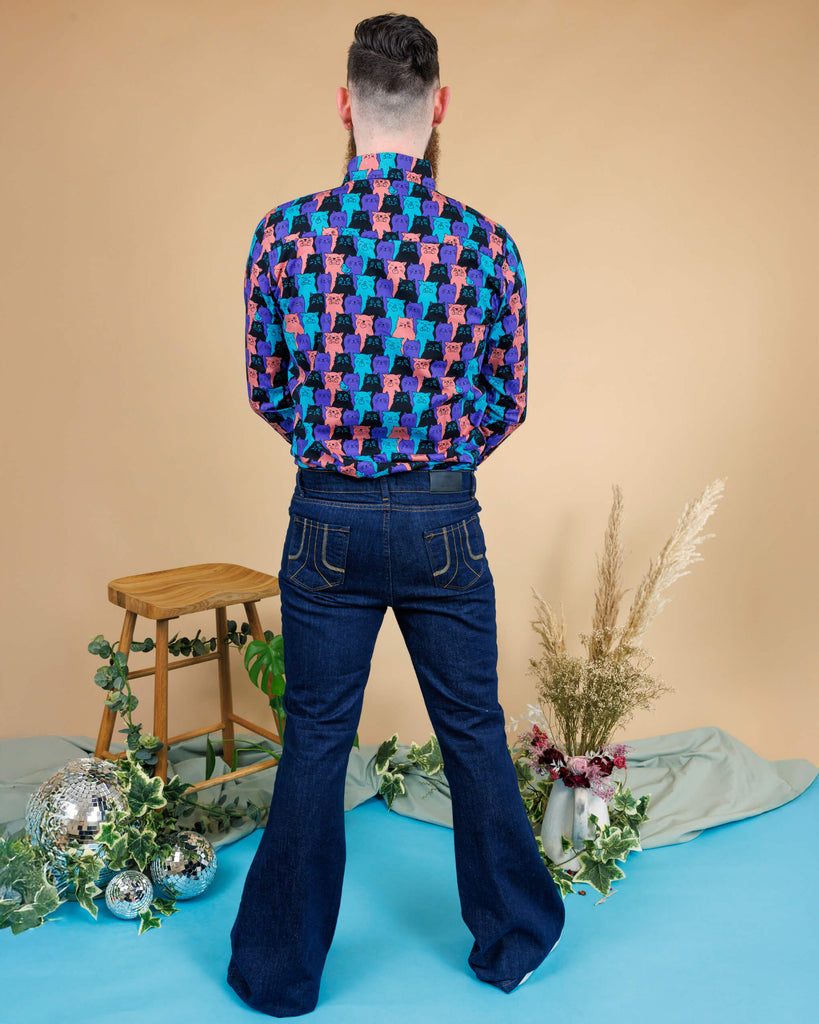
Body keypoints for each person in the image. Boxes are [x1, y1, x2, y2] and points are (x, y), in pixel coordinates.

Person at [227, 12, 565, 1017]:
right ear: (439, 108)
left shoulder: (284, 235)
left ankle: (279, 975)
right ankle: (510, 943)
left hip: (324, 520)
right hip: (441, 522)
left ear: (345, 104)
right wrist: (432, 462)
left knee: (317, 742)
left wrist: (338, 454)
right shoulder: (486, 244)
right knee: (471, 729)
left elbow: (266, 385)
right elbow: (507, 399)